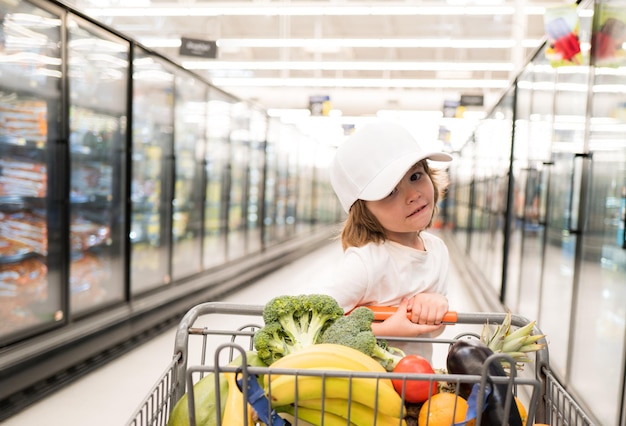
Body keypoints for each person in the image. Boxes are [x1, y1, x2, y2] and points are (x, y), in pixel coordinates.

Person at [318, 120, 453, 360]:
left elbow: (432, 330)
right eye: (390, 191)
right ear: (364, 210)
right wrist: (385, 330)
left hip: (417, 387)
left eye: (415, 176)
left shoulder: (438, 250)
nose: (413, 195)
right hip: (359, 390)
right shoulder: (366, 263)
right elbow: (315, 325)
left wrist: (436, 303)